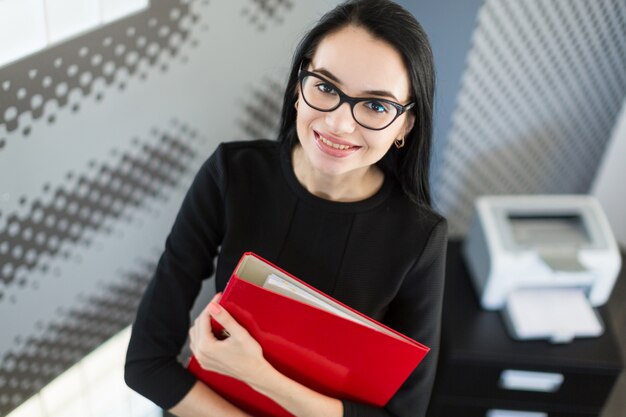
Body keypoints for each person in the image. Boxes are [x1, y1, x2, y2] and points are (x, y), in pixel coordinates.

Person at [125, 0, 447, 416]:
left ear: (406, 124)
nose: (338, 124)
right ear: (299, 86)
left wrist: (257, 375)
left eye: (376, 105)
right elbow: (145, 364)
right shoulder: (232, 174)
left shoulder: (420, 237)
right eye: (326, 87)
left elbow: (405, 414)